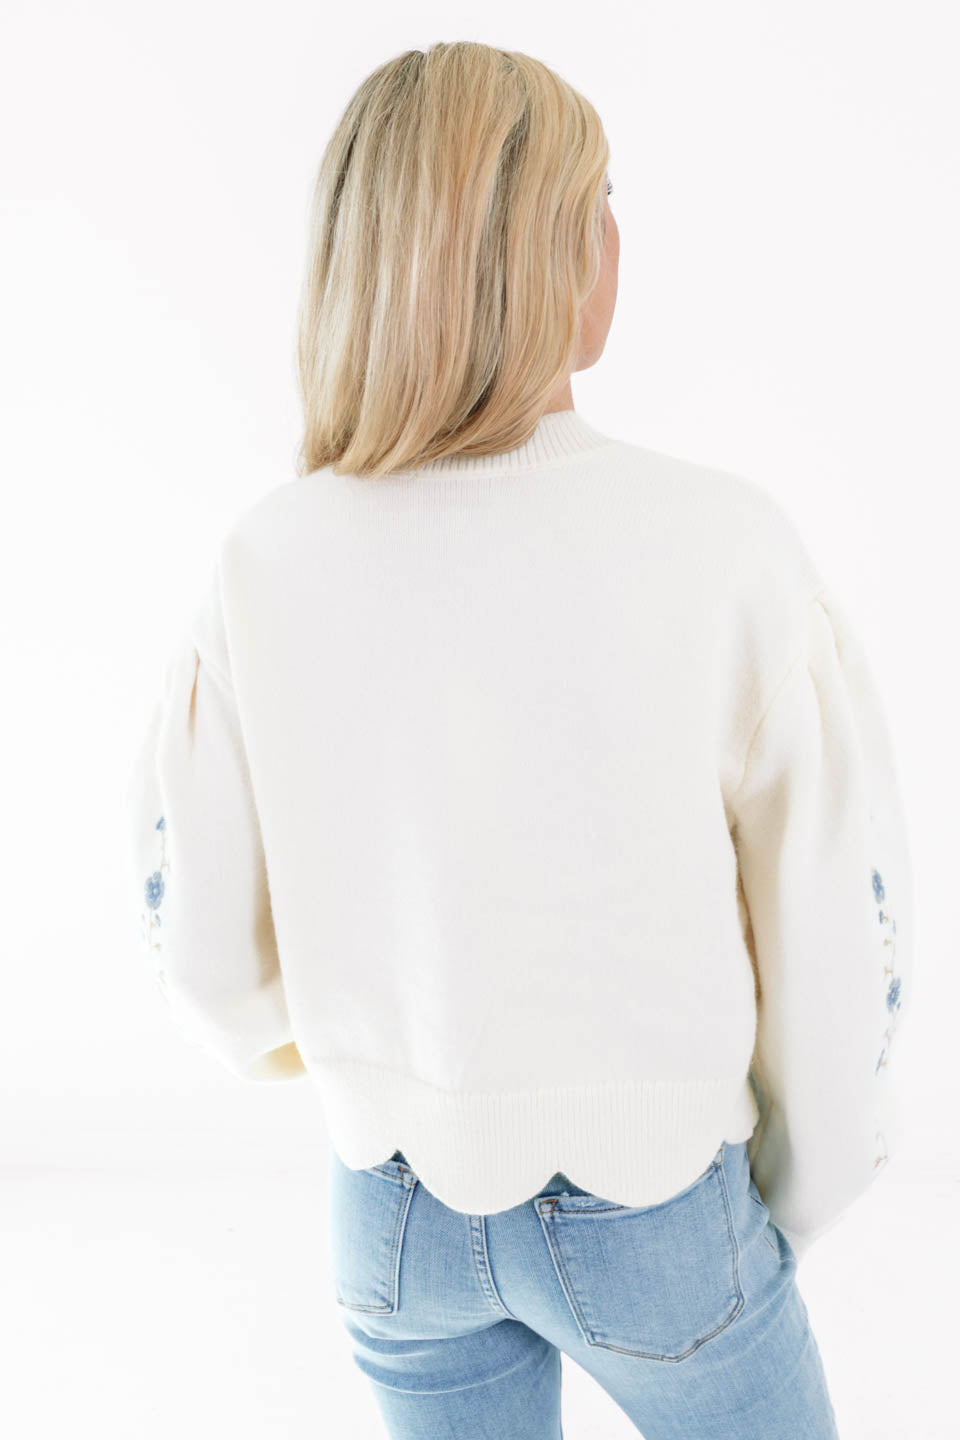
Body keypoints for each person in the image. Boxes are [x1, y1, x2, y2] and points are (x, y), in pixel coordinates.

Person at [125, 40, 914, 1439]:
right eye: (600, 202)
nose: (617, 237)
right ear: (557, 254)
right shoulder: (720, 545)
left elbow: (202, 951)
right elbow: (837, 934)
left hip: (388, 1216)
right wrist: (793, 1193)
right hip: (660, 1208)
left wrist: (381, 1060)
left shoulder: (265, 563)